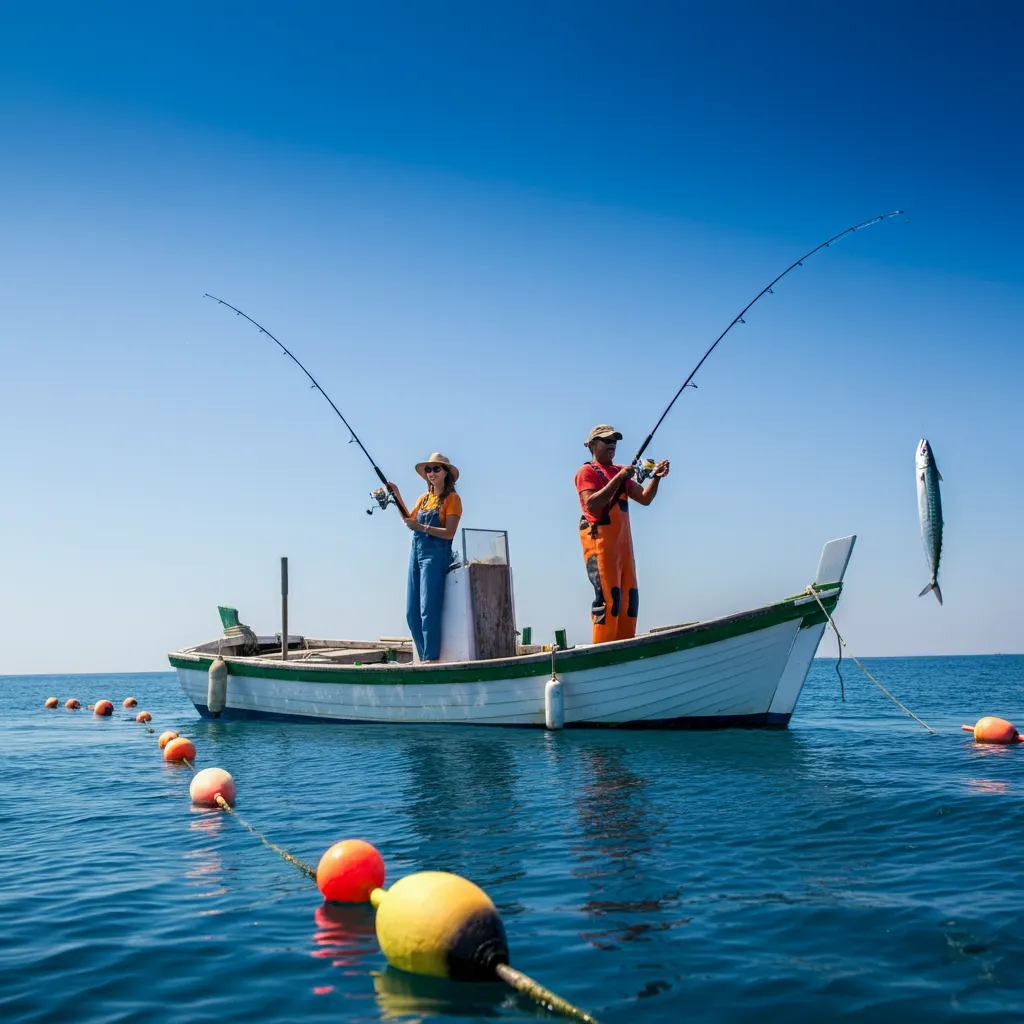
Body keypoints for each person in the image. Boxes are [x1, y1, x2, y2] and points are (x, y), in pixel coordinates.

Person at [575, 425, 669, 645]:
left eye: (614, 441)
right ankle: (602, 651)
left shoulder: (620, 471)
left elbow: (644, 499)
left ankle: (625, 647)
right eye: (606, 440)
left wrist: (656, 478)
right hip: (601, 547)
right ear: (592, 445)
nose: (612, 445)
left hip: (624, 550)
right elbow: (592, 504)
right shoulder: (587, 472)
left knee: (629, 601)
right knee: (609, 602)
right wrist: (618, 479)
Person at [387, 453, 462, 662]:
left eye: (436, 469)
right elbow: (409, 520)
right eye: (428, 469)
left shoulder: (452, 499)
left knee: (428, 609)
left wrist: (422, 527)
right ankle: (423, 656)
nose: (431, 473)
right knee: (412, 613)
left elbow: (449, 532)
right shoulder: (424, 499)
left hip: (436, 556)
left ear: (446, 473)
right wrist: (396, 495)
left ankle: (431, 659)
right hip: (416, 555)